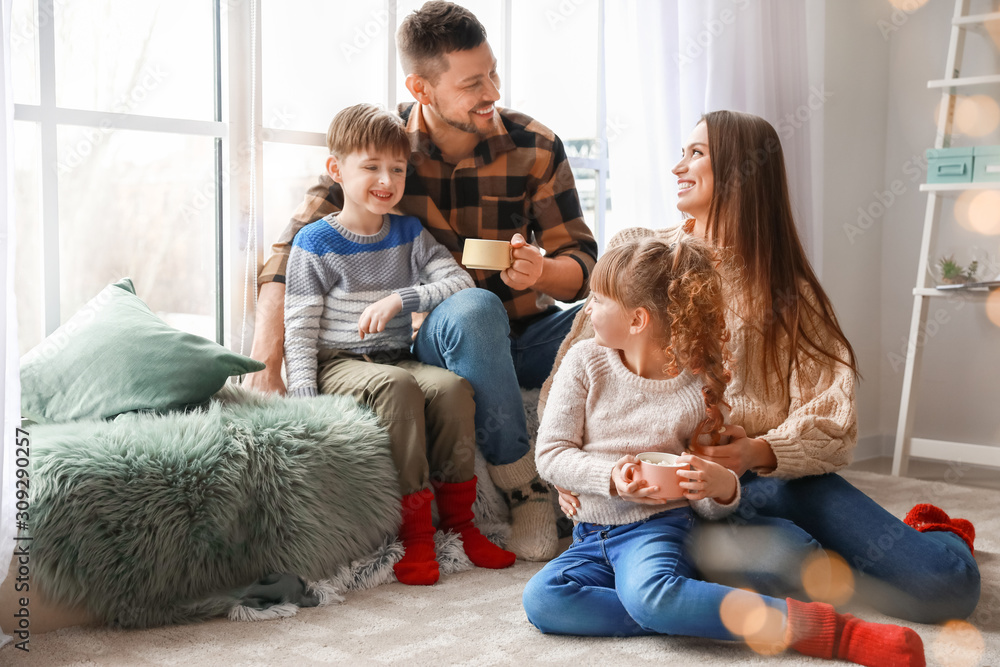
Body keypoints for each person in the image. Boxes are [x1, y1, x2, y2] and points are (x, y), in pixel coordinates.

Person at [547, 110, 980, 624]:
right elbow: (572, 380)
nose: (677, 166)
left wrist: (755, 450)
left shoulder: (790, 294)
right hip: (671, 504)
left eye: (696, 153)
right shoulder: (643, 255)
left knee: (945, 589)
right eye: (682, 152)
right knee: (792, 569)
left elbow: (834, 424)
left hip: (768, 479)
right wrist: (580, 475)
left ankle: (935, 531)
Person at [246, 1, 598, 562]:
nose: (493, 92)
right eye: (473, 83)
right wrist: (269, 364)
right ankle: (525, 486)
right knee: (477, 306)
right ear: (422, 87)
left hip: (528, 337)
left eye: (493, 73)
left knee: (608, 319)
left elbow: (581, 262)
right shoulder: (382, 149)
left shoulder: (536, 146)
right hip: (444, 337)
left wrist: (541, 268)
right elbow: (291, 249)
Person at [522, 236, 926, 667]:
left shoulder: (699, 390)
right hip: (589, 534)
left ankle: (822, 631)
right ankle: (681, 605)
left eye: (598, 299)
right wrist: (609, 478)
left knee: (652, 594)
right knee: (544, 601)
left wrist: (722, 487)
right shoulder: (584, 361)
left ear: (638, 319)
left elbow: (710, 502)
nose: (587, 308)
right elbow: (551, 454)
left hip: (656, 531)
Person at [284, 103, 515, 585]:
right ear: (337, 170)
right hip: (340, 362)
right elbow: (301, 331)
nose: (385, 180)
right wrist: (302, 402)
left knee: (451, 388)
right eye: (370, 167)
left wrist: (401, 298)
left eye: (397, 169)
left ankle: (462, 524)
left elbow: (457, 280)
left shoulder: (409, 233)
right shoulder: (314, 242)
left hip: (398, 355)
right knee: (397, 388)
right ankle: (415, 537)